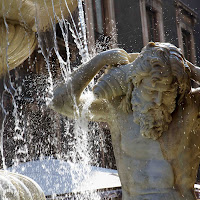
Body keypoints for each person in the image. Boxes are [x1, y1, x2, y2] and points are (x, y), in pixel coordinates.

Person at [51, 42, 200, 200]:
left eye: (168, 92)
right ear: (137, 83)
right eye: (151, 91)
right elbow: (60, 102)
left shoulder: (191, 107)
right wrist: (100, 61)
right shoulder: (116, 108)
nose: (158, 100)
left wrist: (192, 71)